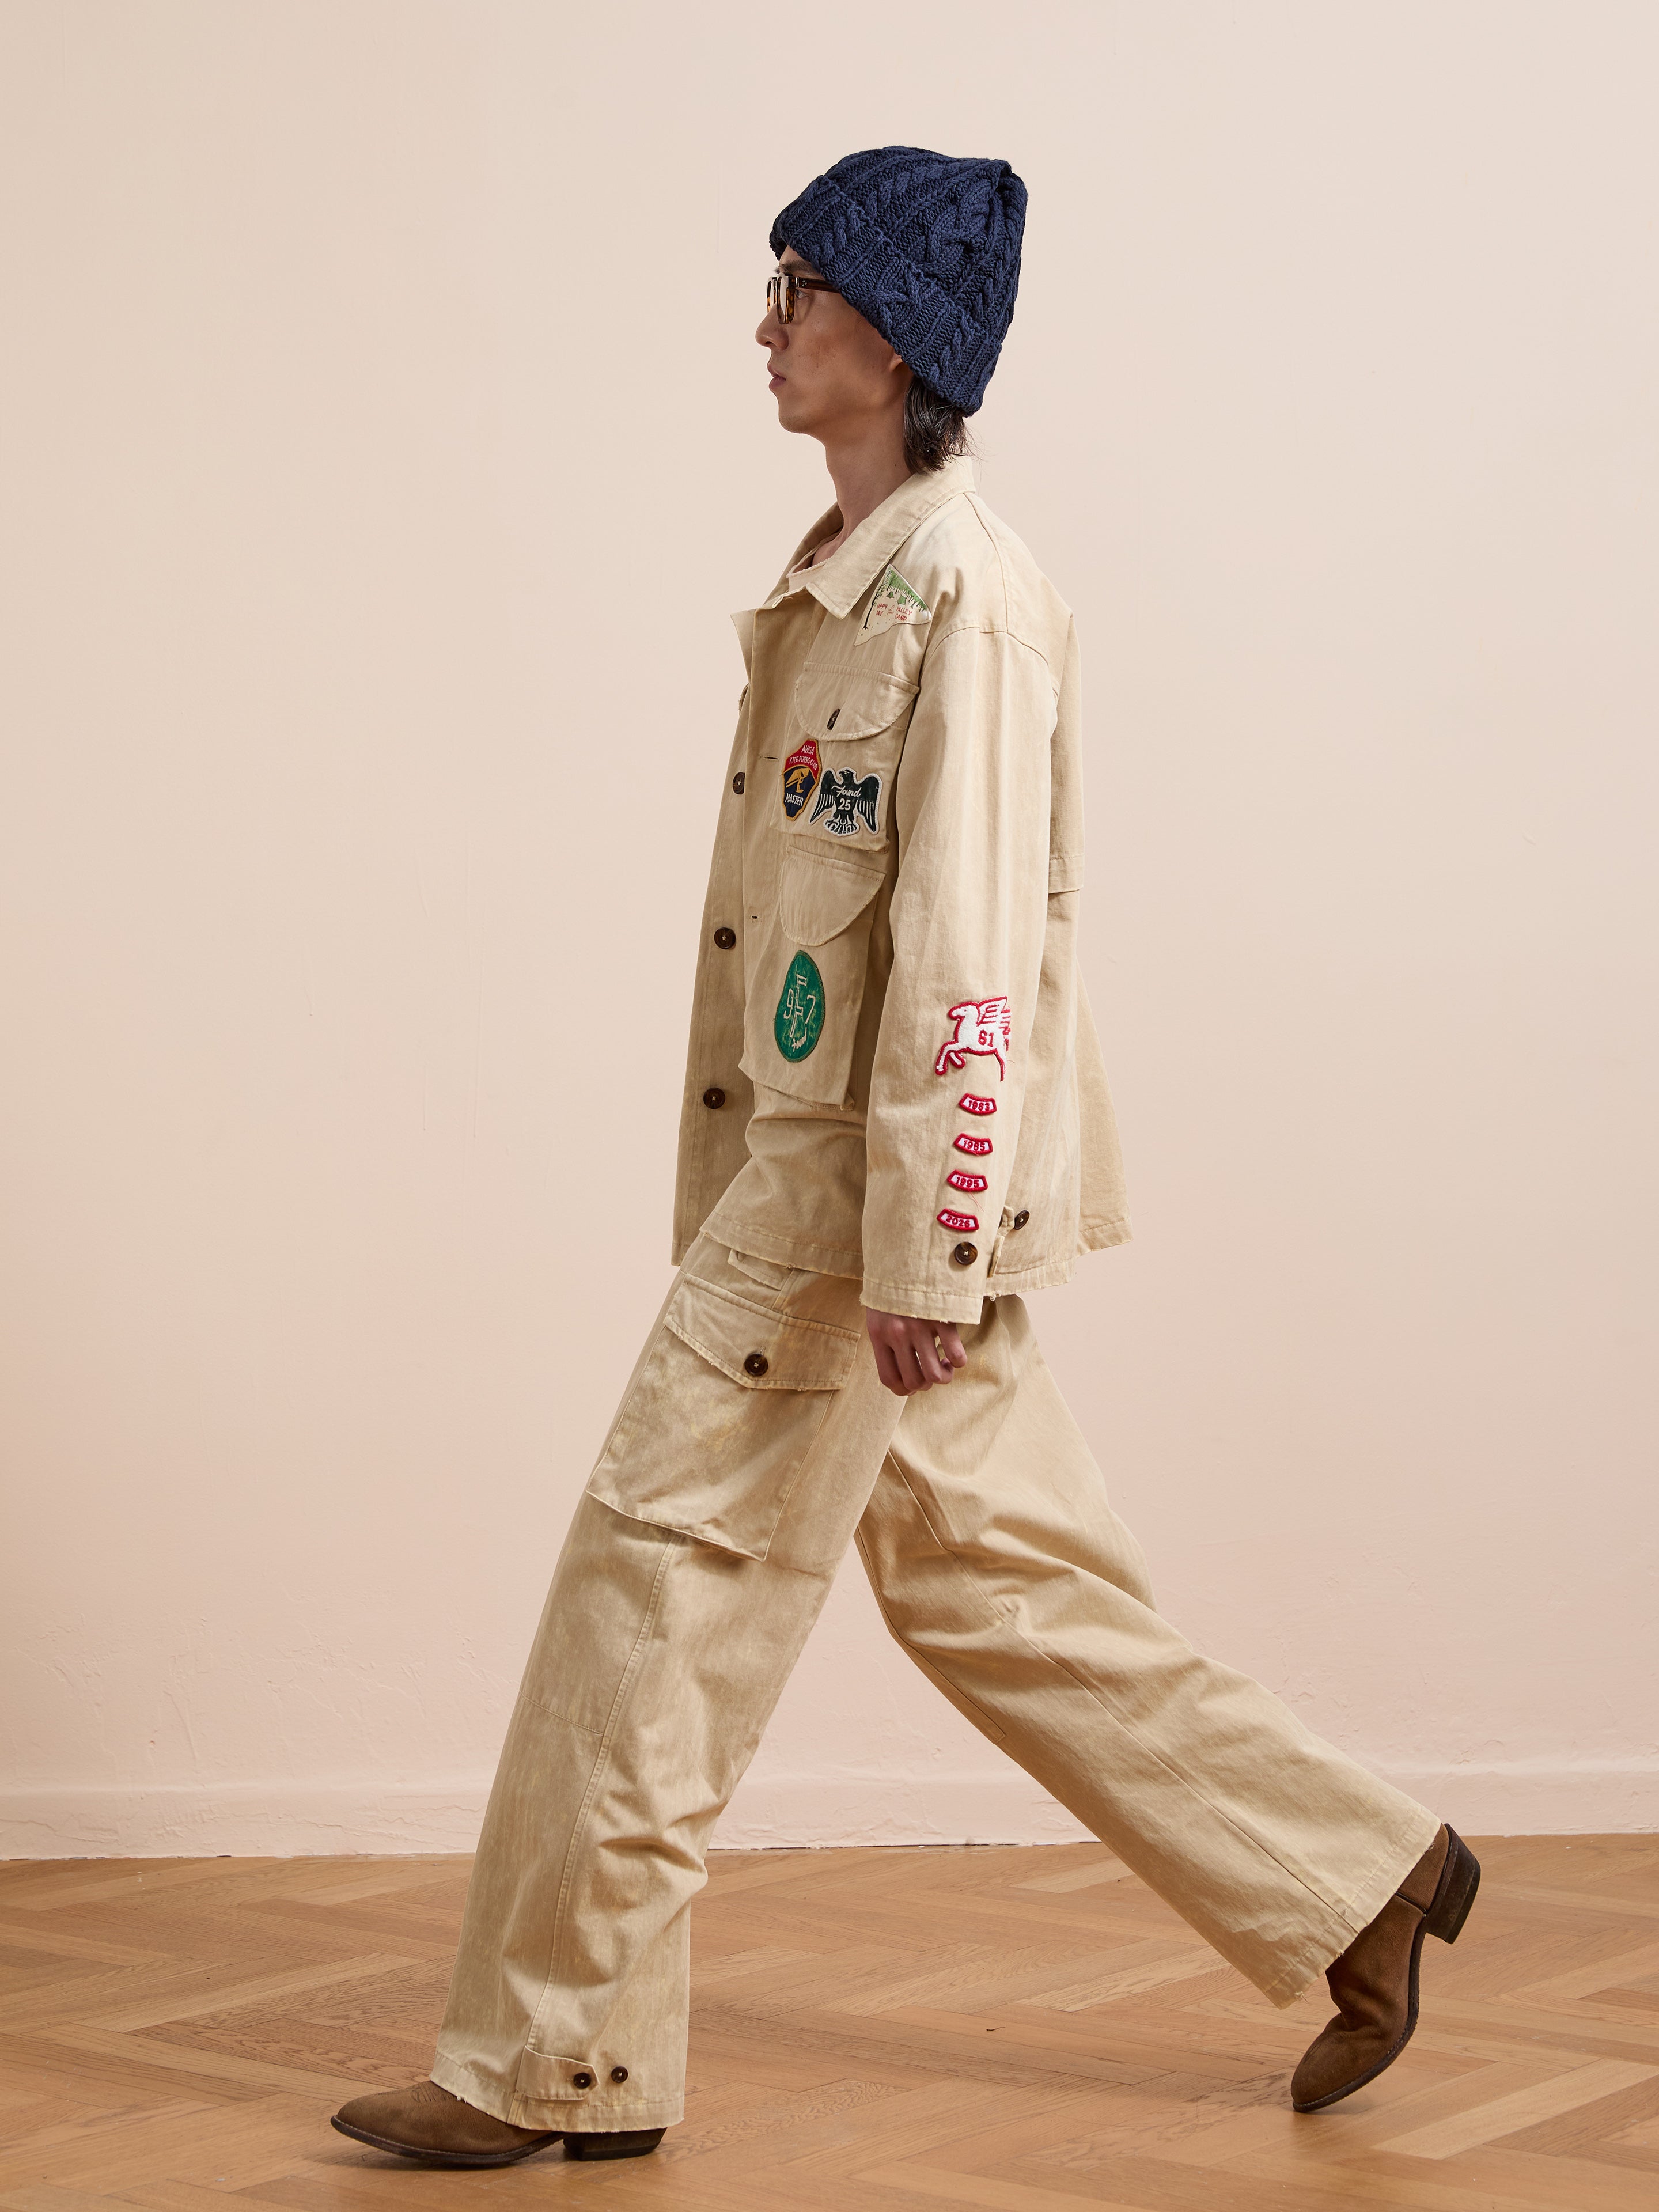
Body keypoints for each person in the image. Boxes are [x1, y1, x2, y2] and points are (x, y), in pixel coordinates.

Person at [331, 146, 1479, 2172]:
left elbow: (970, 960)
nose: (766, 327)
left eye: (797, 289)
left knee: (649, 1592)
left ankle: (548, 2063)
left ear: (896, 334)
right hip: (819, 1189)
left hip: (854, 1213)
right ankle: (1360, 1879)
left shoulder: (969, 598)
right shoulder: (839, 582)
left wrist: (927, 1258)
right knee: (994, 1584)